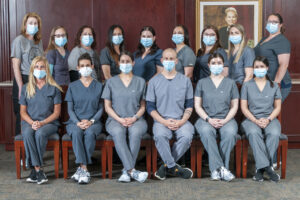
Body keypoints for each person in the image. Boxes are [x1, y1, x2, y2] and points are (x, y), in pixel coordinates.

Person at [146, 48, 194, 180]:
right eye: (166, 59)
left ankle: (165, 167)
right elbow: (150, 107)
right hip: (161, 120)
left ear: (176, 61)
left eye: (171, 59)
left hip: (180, 119)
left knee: (187, 135)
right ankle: (174, 168)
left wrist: (182, 121)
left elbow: (189, 105)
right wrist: (164, 122)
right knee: (160, 136)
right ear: (161, 61)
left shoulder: (185, 81)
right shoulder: (154, 82)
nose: (168, 61)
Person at [102, 51, 148, 183]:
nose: (125, 64)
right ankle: (131, 170)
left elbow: (143, 107)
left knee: (136, 132)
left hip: (136, 119)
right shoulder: (111, 82)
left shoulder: (140, 82)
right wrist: (120, 119)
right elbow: (107, 107)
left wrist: (134, 118)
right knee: (118, 132)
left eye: (128, 61)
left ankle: (126, 171)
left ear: (133, 63)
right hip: (115, 119)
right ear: (118, 64)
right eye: (122, 61)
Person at [194, 52, 239, 182]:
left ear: (223, 65)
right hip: (206, 119)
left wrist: (225, 120)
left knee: (230, 133)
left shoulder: (231, 83)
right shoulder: (202, 83)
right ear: (209, 65)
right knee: (207, 132)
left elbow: (234, 106)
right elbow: (198, 106)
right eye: (213, 63)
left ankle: (216, 170)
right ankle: (221, 168)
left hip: (226, 118)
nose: (216, 65)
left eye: (219, 63)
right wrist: (208, 119)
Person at [20, 56, 62, 184]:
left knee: (40, 133)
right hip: (30, 122)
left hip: (49, 123)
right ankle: (38, 169)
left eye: (42, 67)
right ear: (32, 69)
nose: (39, 69)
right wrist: (32, 122)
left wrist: (42, 123)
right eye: (37, 67)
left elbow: (57, 113)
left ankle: (33, 167)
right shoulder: (26, 88)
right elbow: (22, 112)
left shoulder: (54, 88)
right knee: (27, 133)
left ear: (47, 69)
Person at [240, 56, 281, 182]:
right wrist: (255, 120)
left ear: (267, 68)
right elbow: (244, 108)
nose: (259, 69)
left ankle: (260, 169)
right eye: (256, 67)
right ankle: (268, 168)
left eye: (261, 66)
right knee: (253, 132)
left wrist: (268, 119)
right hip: (251, 119)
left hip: (270, 118)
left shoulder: (274, 85)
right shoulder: (247, 85)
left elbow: (277, 107)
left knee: (274, 133)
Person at [65, 53, 103, 184]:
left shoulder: (99, 86)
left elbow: (101, 108)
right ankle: (84, 168)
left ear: (92, 67)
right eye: (82, 66)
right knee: (76, 132)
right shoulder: (72, 86)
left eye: (87, 65)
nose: (85, 68)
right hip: (74, 122)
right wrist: (77, 122)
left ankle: (81, 169)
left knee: (90, 133)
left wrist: (91, 121)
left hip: (94, 122)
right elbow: (69, 109)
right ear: (77, 67)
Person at [11, 12, 44, 137]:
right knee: (21, 115)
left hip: (36, 80)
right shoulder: (19, 40)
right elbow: (15, 65)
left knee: (34, 113)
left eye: (36, 23)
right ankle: (21, 153)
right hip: (23, 79)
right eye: (31, 23)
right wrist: (20, 86)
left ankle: (32, 149)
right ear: (25, 25)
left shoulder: (38, 42)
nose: (33, 25)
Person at [254, 13, 291, 102]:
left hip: (277, 83)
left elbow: (284, 65)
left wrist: (275, 84)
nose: (271, 24)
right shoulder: (264, 39)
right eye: (269, 21)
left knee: (269, 112)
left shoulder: (282, 41)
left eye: (275, 22)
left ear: (280, 25)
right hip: (264, 82)